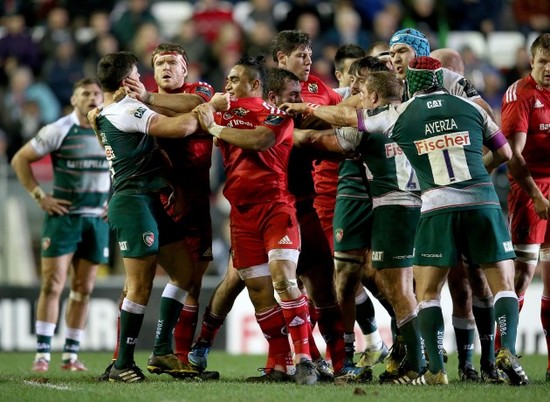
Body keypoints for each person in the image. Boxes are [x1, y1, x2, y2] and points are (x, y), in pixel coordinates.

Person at [88, 51, 228, 382]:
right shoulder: (128, 108)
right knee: (139, 283)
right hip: (134, 201)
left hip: (153, 198)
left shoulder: (110, 112)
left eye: (170, 63)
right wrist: (208, 111)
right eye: (141, 72)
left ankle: (163, 351)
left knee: (183, 272)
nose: (146, 77)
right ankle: (122, 362)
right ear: (126, 82)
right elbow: (177, 128)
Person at [194, 55, 318, 385]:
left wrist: (217, 128)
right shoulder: (220, 109)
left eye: (235, 79)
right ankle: (280, 365)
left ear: (255, 84)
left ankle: (305, 358)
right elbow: (189, 114)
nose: (228, 84)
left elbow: (260, 141)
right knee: (259, 292)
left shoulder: (278, 116)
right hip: (242, 215)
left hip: (276, 208)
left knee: (284, 279)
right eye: (227, 79)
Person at [272, 30, 371, 382]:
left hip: (305, 205)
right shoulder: (259, 115)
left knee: (323, 284)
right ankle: (298, 358)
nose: (300, 100)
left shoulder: (316, 93)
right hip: (268, 211)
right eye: (292, 97)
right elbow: (307, 135)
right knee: (258, 286)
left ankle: (339, 363)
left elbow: (330, 115)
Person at [11, 78, 109, 372]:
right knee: (53, 285)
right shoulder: (59, 129)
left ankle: (71, 355)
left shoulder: (110, 129)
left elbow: (124, 168)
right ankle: (42, 354)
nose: (92, 98)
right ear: (74, 100)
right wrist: (40, 196)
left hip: (96, 219)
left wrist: (114, 201)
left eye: (96, 94)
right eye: (86, 94)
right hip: (64, 219)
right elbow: (20, 159)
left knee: (84, 288)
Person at [431, 47, 503, 383]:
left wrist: (478, 174)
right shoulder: (423, 109)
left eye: (446, 70)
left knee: (474, 284)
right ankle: (454, 362)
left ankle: (480, 362)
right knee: (453, 285)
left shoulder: (472, 108)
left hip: (469, 204)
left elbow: (498, 147)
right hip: (435, 205)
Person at [501, 32, 550, 381]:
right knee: (522, 276)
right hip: (529, 191)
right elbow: (513, 156)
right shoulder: (521, 94)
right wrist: (535, 195)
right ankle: (506, 355)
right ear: (531, 61)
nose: (548, 69)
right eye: (543, 61)